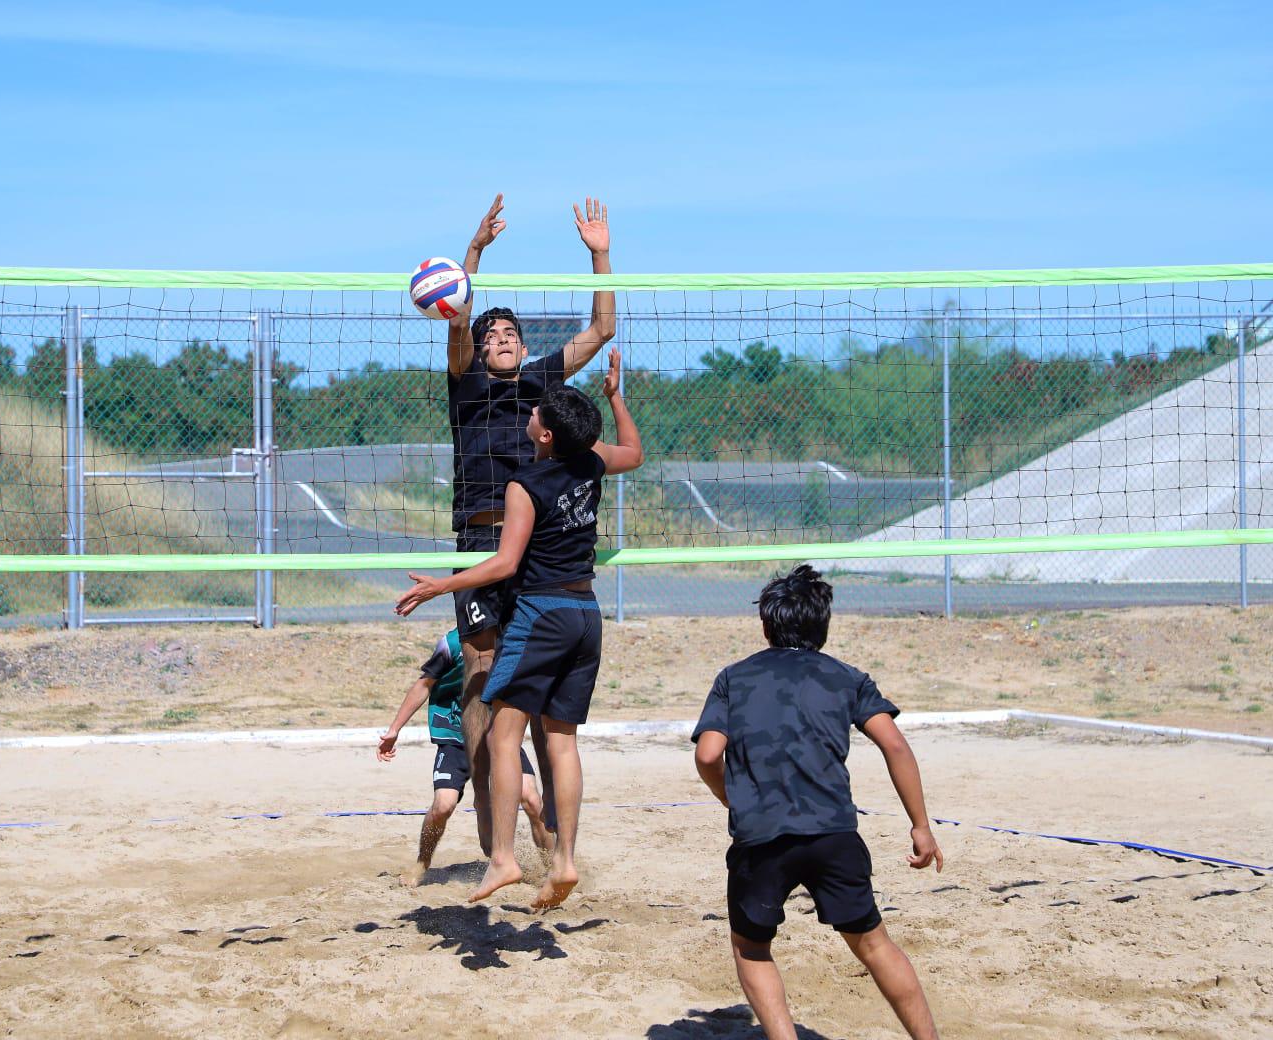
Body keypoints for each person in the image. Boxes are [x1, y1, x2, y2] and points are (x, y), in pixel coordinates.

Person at [397, 347, 643, 909]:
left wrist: (442, 585)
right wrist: (614, 397)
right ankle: (564, 862)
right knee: (562, 742)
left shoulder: (526, 483)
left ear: (548, 435)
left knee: (505, 736)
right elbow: (635, 451)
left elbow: (506, 564)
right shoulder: (590, 461)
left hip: (542, 615)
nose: (529, 414)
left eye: (537, 414)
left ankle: (504, 858)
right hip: (586, 616)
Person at [691, 566, 944, 1040]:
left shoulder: (734, 678)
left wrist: (732, 797)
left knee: (751, 948)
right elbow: (896, 747)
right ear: (823, 628)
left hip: (761, 837)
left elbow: (707, 754)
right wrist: (920, 825)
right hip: (833, 832)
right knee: (873, 943)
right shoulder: (846, 678)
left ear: (766, 626)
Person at [445, 194, 615, 855]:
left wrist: (599, 251)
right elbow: (456, 321)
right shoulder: (466, 386)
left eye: (509, 331)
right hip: (482, 544)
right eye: (491, 336)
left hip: (539, 554)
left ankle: (554, 851)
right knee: (484, 691)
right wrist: (475, 252)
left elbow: (600, 330)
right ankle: (496, 850)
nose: (500, 337)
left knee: (545, 711)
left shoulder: (544, 382)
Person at [376, 629, 553, 886]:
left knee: (532, 799)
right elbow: (424, 684)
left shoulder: (513, 638)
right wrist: (394, 730)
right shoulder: (453, 644)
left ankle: (552, 869)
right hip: (455, 737)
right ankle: (421, 865)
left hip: (498, 737)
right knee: (442, 806)